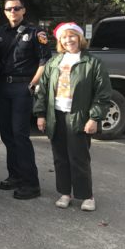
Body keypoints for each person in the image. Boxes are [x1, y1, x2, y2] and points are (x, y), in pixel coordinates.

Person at [34, 22, 111, 211]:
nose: (69, 40)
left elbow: (103, 93)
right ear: (60, 40)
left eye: (72, 36)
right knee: (60, 157)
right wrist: (41, 114)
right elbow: (42, 91)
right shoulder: (54, 62)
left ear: (80, 38)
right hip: (56, 116)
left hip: (79, 117)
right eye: (64, 37)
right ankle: (65, 193)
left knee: (79, 157)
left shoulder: (92, 63)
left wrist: (94, 118)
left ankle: (87, 196)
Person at [0, 0, 50, 200]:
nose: (13, 11)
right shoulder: (0, 33)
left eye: (16, 8)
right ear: (5, 11)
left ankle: (31, 183)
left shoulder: (36, 33)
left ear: (23, 10)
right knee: (7, 134)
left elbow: (44, 61)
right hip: (3, 87)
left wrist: (32, 84)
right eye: (9, 8)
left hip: (22, 87)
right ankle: (15, 175)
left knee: (20, 135)